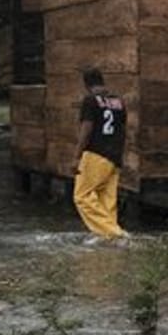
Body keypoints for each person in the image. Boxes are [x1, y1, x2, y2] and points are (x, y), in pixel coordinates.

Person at [72, 67, 130, 244]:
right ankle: (108, 240)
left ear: (87, 84)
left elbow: (86, 129)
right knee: (107, 200)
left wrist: (76, 156)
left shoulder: (90, 101)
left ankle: (115, 233)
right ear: (102, 81)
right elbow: (123, 129)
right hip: (114, 157)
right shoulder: (119, 101)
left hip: (95, 154)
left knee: (81, 196)